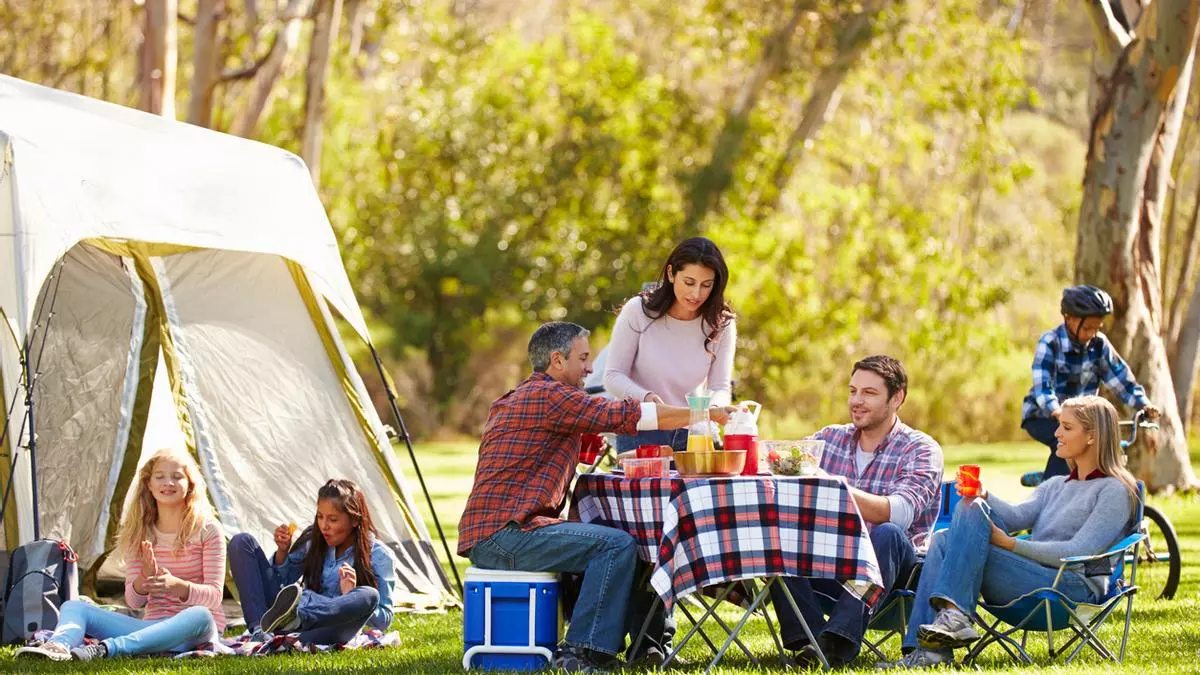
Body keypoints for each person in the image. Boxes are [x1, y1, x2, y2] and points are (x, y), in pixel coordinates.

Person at [459, 321, 733, 673]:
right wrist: (705, 412)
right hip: (507, 536)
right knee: (615, 545)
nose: (590, 368)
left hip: (496, 532)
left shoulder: (526, 395)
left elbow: (559, 444)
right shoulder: (552, 396)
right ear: (557, 361)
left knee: (611, 537)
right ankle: (581, 652)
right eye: (583, 358)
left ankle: (623, 641)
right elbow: (628, 415)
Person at [880, 395, 1139, 669]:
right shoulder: (1055, 485)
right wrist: (983, 494)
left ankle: (943, 633)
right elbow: (1016, 517)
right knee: (955, 524)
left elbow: (1079, 551)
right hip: (1032, 577)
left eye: (1067, 427)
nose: (1056, 433)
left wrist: (1010, 545)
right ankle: (937, 640)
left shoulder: (1115, 491)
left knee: (951, 537)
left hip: (1070, 588)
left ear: (1092, 437)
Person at [769, 355, 943, 668]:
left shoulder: (921, 448)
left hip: (892, 570)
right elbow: (783, 472)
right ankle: (810, 643)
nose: (857, 401)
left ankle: (836, 642)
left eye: (869, 393)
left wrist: (831, 486)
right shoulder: (827, 438)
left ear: (897, 397)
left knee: (887, 533)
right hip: (829, 561)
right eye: (853, 391)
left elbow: (898, 514)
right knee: (780, 535)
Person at [16, 449, 224, 661]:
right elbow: (133, 602)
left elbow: (215, 597)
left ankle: (107, 649)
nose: (167, 483)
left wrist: (176, 585)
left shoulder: (208, 529)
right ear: (149, 485)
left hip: (194, 630)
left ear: (190, 484)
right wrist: (143, 580)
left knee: (200, 615)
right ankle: (58, 646)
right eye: (159, 477)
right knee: (74, 605)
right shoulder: (140, 531)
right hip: (148, 627)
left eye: (177, 477)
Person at [603, 237, 736, 452]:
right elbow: (613, 376)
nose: (696, 294)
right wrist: (645, 397)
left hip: (694, 434)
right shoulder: (639, 311)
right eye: (689, 282)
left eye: (706, 285)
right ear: (671, 273)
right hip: (641, 430)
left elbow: (719, 386)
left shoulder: (721, 324)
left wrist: (712, 410)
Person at [228, 479, 398, 645]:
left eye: (332, 520)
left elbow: (384, 620)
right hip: (288, 616)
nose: (324, 526)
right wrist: (283, 551)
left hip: (330, 628)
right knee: (242, 542)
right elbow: (282, 583)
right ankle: (260, 631)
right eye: (320, 517)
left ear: (354, 520)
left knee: (369, 595)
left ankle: (297, 621)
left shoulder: (380, 556)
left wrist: (350, 596)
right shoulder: (313, 542)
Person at [1022, 285, 1160, 479]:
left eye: (1096, 328)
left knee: (1096, 449)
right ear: (1069, 318)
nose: (1091, 334)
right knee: (1065, 439)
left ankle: (1076, 485)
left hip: (1081, 419)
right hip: (1041, 415)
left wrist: (1143, 404)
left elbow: (1121, 379)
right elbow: (1042, 388)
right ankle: (1051, 489)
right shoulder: (1050, 342)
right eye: (1087, 328)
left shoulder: (1099, 345)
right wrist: (1057, 411)